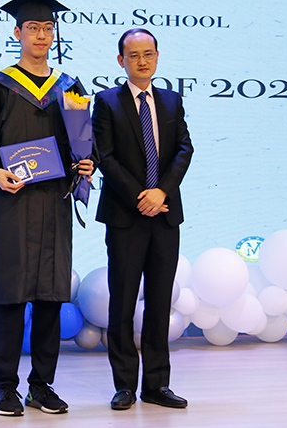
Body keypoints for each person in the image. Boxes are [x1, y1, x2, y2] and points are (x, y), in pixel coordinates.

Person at [0, 0, 95, 417]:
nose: (41, 35)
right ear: (17, 32)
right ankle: (4, 387)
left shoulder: (70, 88)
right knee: (11, 297)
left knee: (51, 298)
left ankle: (41, 386)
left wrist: (87, 163)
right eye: (33, 28)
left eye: (47, 28)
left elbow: (84, 144)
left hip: (54, 204)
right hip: (13, 205)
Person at [92, 29, 193, 410]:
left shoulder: (171, 100)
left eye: (148, 53)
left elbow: (184, 148)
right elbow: (105, 156)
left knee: (159, 302)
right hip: (125, 215)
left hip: (165, 214)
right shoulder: (107, 102)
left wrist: (161, 192)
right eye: (133, 55)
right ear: (121, 61)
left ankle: (156, 385)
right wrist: (141, 196)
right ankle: (124, 386)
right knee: (121, 303)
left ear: (157, 56)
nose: (142, 61)